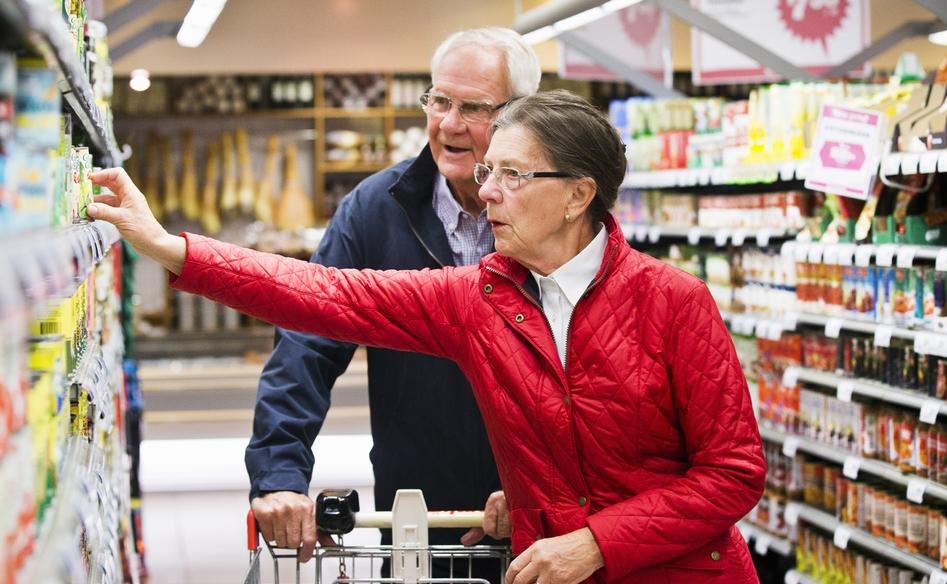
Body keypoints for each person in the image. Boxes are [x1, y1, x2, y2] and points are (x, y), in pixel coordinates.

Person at [88, 89, 766, 584]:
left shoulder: (675, 302)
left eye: (511, 174)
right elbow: (325, 294)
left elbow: (733, 473)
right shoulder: (477, 299)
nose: (487, 192)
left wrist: (596, 541)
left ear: (577, 195)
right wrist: (168, 247)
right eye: (487, 171)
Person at [246, 26, 540, 571]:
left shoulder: (553, 210)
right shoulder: (374, 210)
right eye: (438, 100)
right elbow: (307, 338)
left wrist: (546, 485)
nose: (448, 124)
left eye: (472, 107)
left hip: (541, 519)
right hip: (418, 517)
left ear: (519, 114)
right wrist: (278, 474)